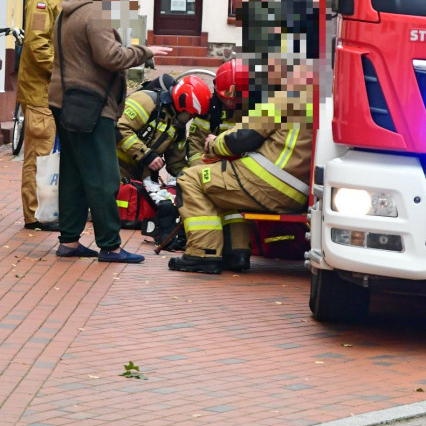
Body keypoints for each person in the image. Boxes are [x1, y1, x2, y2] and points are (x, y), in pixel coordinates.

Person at [47, 0, 171, 262]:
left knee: (74, 175)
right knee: (105, 177)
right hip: (90, 106)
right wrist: (145, 52)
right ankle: (110, 245)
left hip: (65, 101)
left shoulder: (70, 10)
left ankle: (70, 241)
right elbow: (110, 56)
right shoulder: (96, 14)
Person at [169, 59, 315, 274]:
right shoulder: (315, 97)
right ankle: (237, 253)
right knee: (226, 190)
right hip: (297, 190)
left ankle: (203, 254)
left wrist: (212, 144)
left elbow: (242, 138)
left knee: (189, 179)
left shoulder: (287, 96)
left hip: (269, 182)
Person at [17, 0, 81, 230]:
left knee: (50, 153)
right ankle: (35, 215)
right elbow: (37, 45)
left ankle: (47, 210)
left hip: (54, 90)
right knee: (40, 153)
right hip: (40, 90)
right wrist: (63, 74)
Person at [185, 58, 253, 271]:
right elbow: (194, 148)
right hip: (212, 169)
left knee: (234, 206)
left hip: (244, 171)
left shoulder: (256, 109)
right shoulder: (209, 110)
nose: (232, 104)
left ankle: (238, 254)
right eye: (227, 99)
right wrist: (204, 167)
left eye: (236, 99)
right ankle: (217, 252)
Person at [117, 75, 212, 182]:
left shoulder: (177, 127)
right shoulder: (146, 101)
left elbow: (176, 164)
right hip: (113, 164)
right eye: (191, 114)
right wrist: (146, 155)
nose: (191, 118)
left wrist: (193, 178)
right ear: (182, 104)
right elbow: (118, 129)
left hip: (138, 175)